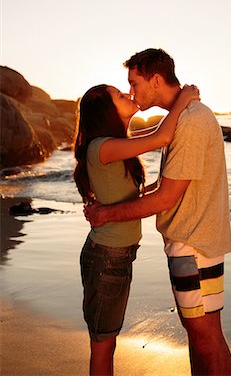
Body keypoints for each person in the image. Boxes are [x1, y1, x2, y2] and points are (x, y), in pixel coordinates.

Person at [85, 48, 231, 376]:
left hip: (192, 243)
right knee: (204, 335)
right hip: (193, 241)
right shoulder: (184, 118)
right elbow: (164, 183)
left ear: (155, 80)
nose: (132, 91)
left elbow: (165, 197)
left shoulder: (191, 121)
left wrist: (106, 215)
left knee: (204, 336)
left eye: (134, 83)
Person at [73, 82, 199, 376]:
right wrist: (183, 99)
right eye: (120, 95)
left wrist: (172, 187)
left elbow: (133, 197)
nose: (128, 94)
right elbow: (162, 136)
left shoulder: (115, 146)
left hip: (117, 255)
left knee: (107, 340)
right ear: (106, 109)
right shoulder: (102, 146)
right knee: (103, 344)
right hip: (106, 257)